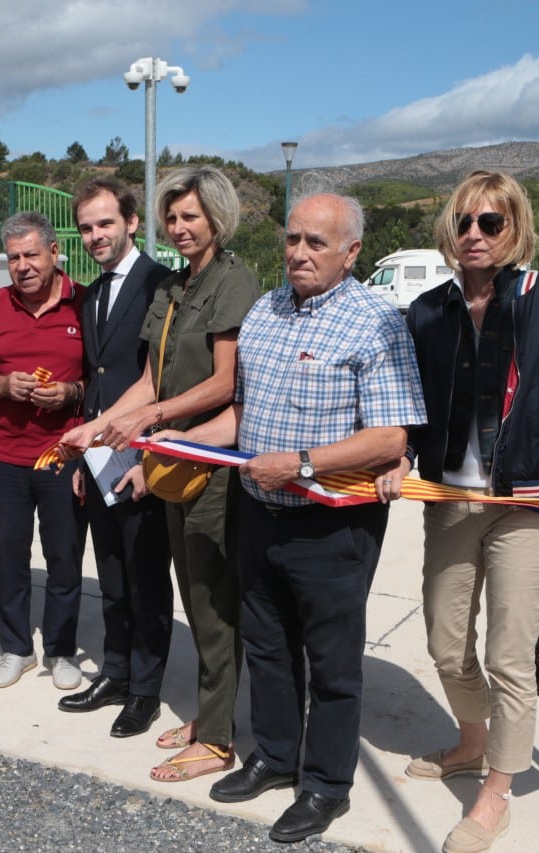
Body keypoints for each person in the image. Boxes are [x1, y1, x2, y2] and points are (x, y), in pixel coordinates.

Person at [185, 193, 425, 842]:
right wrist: (172, 439)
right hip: (260, 514)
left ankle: (324, 784)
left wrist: (299, 462)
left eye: (316, 242)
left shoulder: (377, 322)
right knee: (267, 647)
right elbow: (243, 414)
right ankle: (273, 755)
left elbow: (388, 440)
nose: (298, 252)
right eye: (292, 238)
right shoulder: (265, 310)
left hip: (331, 526)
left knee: (333, 665)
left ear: (352, 252)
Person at [383, 170, 539, 853]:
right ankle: (471, 742)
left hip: (529, 503)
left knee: (510, 656)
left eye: (490, 223)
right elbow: (414, 409)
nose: (473, 234)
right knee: (448, 644)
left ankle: (496, 792)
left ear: (515, 229)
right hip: (450, 500)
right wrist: (403, 457)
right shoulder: (426, 313)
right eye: (464, 222)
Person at [59, 165, 261, 783]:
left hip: (211, 465)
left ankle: (220, 737)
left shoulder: (235, 281)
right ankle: (210, 716)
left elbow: (226, 383)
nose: (179, 228)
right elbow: (148, 378)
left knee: (211, 602)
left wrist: (150, 417)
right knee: (198, 600)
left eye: (190, 217)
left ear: (216, 219)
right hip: (172, 461)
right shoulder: (174, 288)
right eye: (172, 217)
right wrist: (94, 429)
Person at [56, 178, 174, 738]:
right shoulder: (92, 292)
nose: (96, 235)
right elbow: (96, 378)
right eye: (86, 227)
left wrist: (148, 460)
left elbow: (164, 379)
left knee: (147, 577)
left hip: (139, 454)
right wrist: (87, 460)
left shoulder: (161, 285)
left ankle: (146, 690)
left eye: (106, 223)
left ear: (131, 222)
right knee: (111, 573)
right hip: (100, 456)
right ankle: (117, 671)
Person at [0, 212, 87, 691]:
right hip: (4, 456)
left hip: (63, 456)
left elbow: (102, 381)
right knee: (10, 556)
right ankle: (16, 648)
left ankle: (60, 650)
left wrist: (70, 394)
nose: (22, 265)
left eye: (31, 255)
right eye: (14, 257)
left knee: (64, 556)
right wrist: (2, 384)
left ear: (55, 253)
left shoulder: (84, 304)